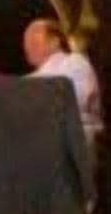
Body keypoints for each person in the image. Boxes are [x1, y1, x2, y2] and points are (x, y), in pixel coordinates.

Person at [23, 18, 102, 148]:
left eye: (35, 35)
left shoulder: (75, 62)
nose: (28, 43)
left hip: (75, 140)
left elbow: (77, 99)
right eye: (26, 40)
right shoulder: (27, 80)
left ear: (55, 40)